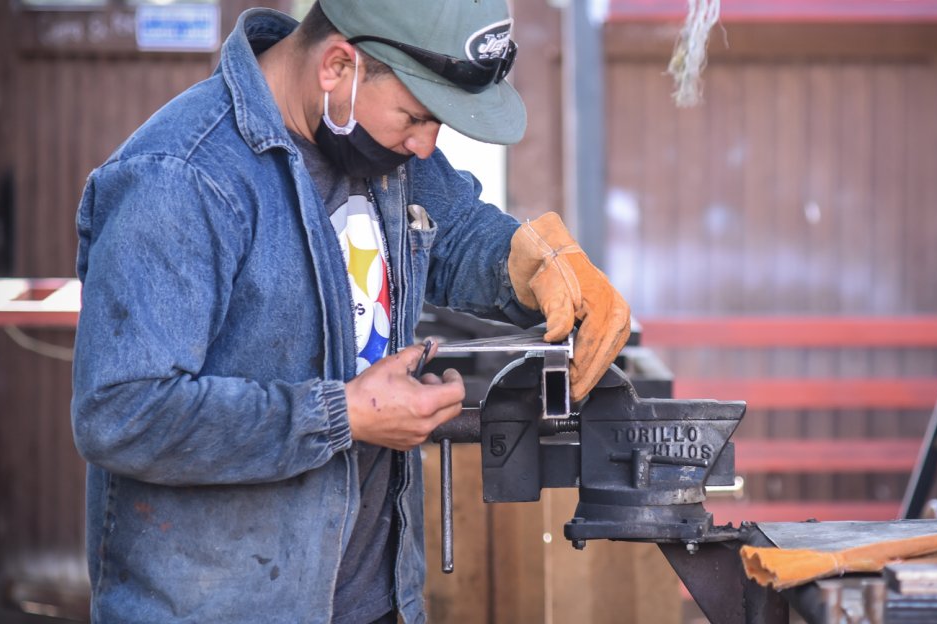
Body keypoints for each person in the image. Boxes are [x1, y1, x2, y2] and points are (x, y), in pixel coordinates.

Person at [71, 0, 629, 622]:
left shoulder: (369, 141)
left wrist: (526, 263)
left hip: (375, 603)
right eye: (416, 118)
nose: (425, 147)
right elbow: (122, 412)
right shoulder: (178, 178)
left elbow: (455, 229)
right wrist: (343, 416)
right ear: (338, 65)